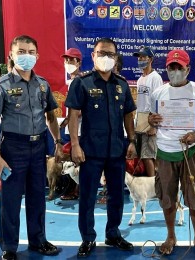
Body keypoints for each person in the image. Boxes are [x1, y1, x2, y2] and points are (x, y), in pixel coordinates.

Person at [0, 35, 63, 260]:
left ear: (37, 56)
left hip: (39, 146)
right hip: (13, 148)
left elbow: (50, 117)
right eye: (21, 51)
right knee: (10, 200)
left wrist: (57, 142)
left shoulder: (43, 85)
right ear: (11, 55)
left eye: (30, 52)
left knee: (38, 197)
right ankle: (9, 247)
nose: (26, 56)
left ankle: (38, 240)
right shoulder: (1, 86)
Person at [65, 37, 137, 257]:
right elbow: (73, 115)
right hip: (90, 151)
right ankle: (88, 238)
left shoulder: (122, 84)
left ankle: (113, 233)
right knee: (87, 196)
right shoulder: (82, 82)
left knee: (116, 195)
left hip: (116, 150)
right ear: (93, 56)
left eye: (110, 54)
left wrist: (132, 141)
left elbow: (128, 115)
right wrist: (75, 145)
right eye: (101, 53)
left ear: (116, 58)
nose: (106, 58)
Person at [148, 49, 195, 256]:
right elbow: (150, 120)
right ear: (166, 68)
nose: (175, 71)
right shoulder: (158, 93)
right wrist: (151, 121)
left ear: (188, 69)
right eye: (171, 67)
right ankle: (170, 235)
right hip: (165, 152)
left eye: (179, 67)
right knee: (167, 198)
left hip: (190, 152)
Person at [133, 46, 163, 177]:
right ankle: (152, 182)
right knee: (142, 154)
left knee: (149, 154)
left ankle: (153, 184)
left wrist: (153, 125)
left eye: (143, 57)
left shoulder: (155, 77)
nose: (140, 60)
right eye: (139, 57)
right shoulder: (140, 79)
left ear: (150, 59)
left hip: (150, 118)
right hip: (141, 118)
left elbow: (158, 101)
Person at [59, 47, 83, 200]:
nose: (68, 63)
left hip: (79, 129)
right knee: (73, 160)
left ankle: (76, 190)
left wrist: (68, 119)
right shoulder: (71, 81)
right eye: (66, 60)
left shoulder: (80, 81)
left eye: (71, 60)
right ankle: (75, 189)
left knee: (76, 161)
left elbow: (81, 108)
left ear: (79, 62)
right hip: (73, 128)